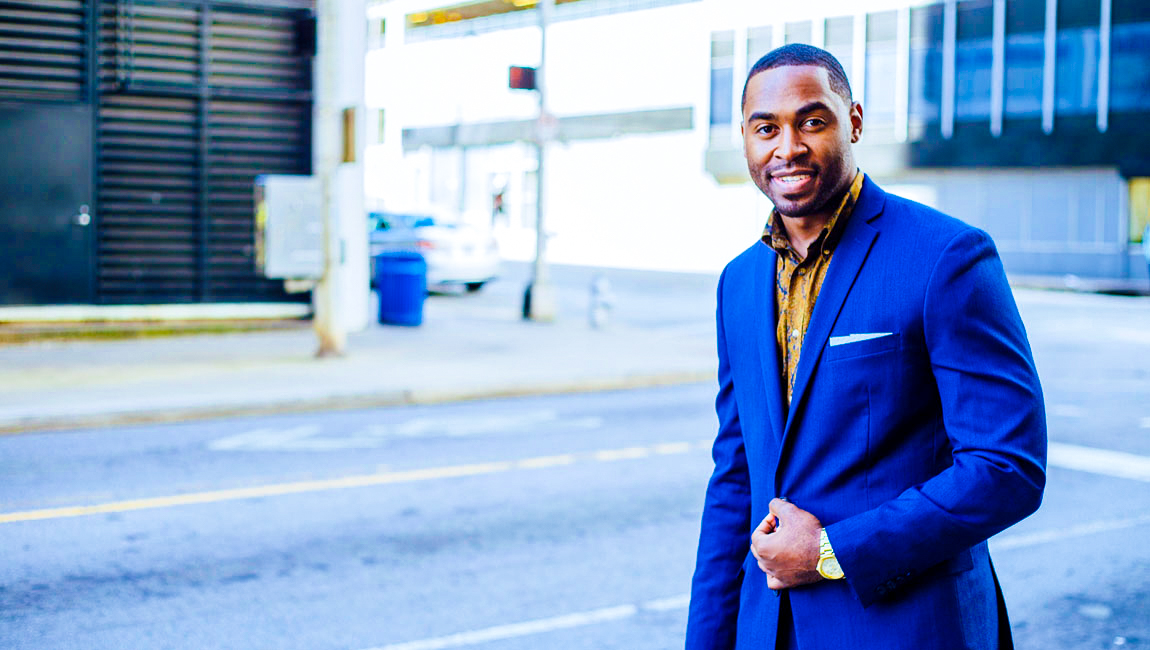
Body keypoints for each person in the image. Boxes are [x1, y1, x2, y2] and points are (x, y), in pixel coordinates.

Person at [684, 44, 1047, 650]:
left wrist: (830, 553)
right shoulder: (738, 283)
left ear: (853, 121)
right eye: (765, 128)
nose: (788, 147)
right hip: (766, 631)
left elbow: (1006, 467)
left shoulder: (946, 256)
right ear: (744, 139)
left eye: (812, 121)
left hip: (908, 629)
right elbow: (736, 480)